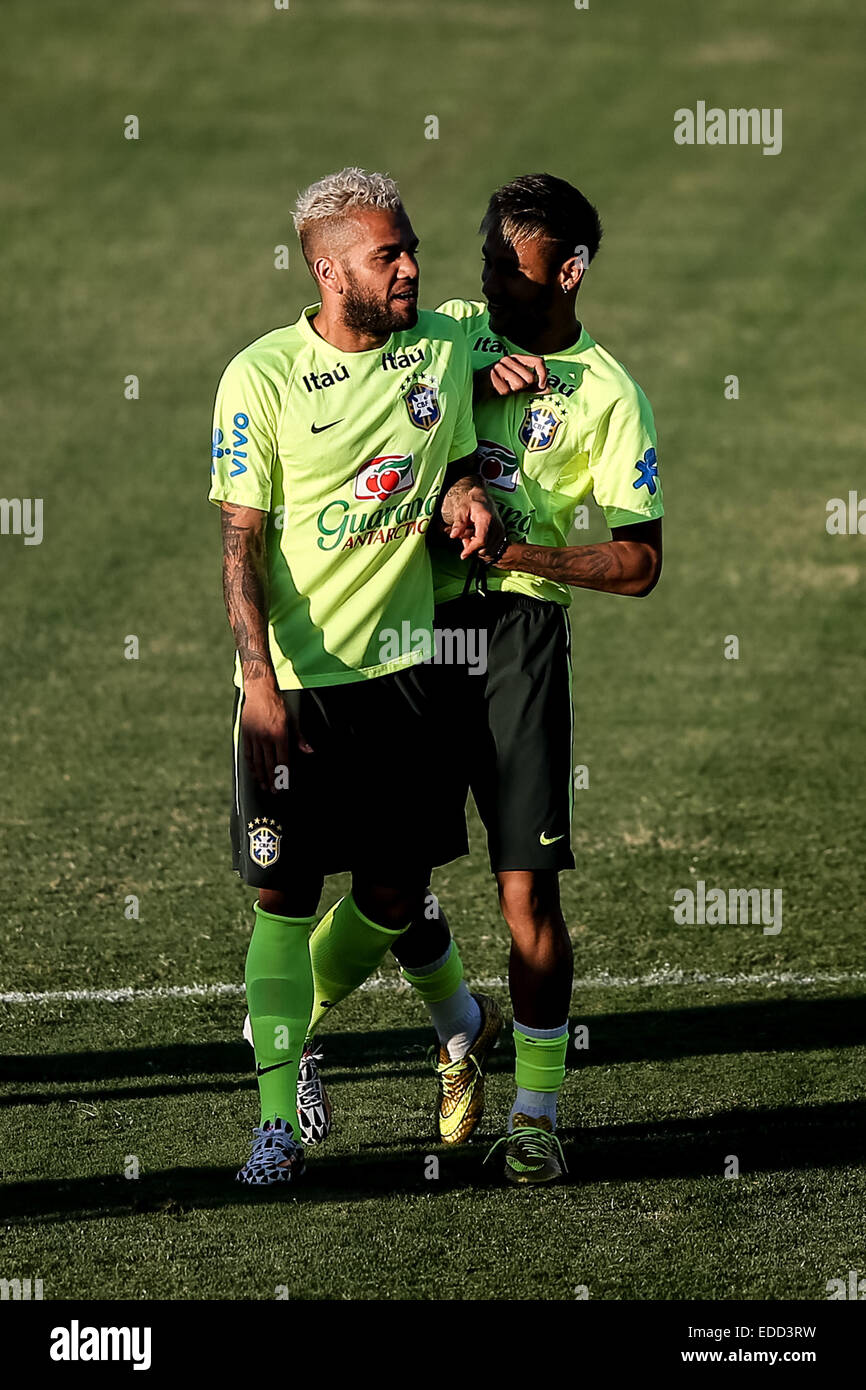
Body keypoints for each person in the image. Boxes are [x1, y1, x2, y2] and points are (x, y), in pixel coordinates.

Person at [298, 173, 664, 1188]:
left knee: (524, 890)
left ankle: (536, 1114)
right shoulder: (449, 328)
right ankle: (285, 1027)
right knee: (385, 875)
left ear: (571, 269)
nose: (491, 275)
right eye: (488, 253)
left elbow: (639, 561)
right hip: (409, 619)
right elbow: (348, 395)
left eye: (517, 261)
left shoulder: (609, 393)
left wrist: (522, 556)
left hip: (518, 641)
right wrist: (465, 382)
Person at [210, 166, 501, 1186]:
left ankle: (314, 1027)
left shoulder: (440, 347)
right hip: (295, 683)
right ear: (330, 270)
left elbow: (460, 454)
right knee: (283, 899)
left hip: (409, 677)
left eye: (412, 246)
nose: (412, 266)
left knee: (392, 892)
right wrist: (256, 679)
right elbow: (239, 541)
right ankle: (273, 1125)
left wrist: (465, 488)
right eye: (389, 254)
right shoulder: (260, 377)